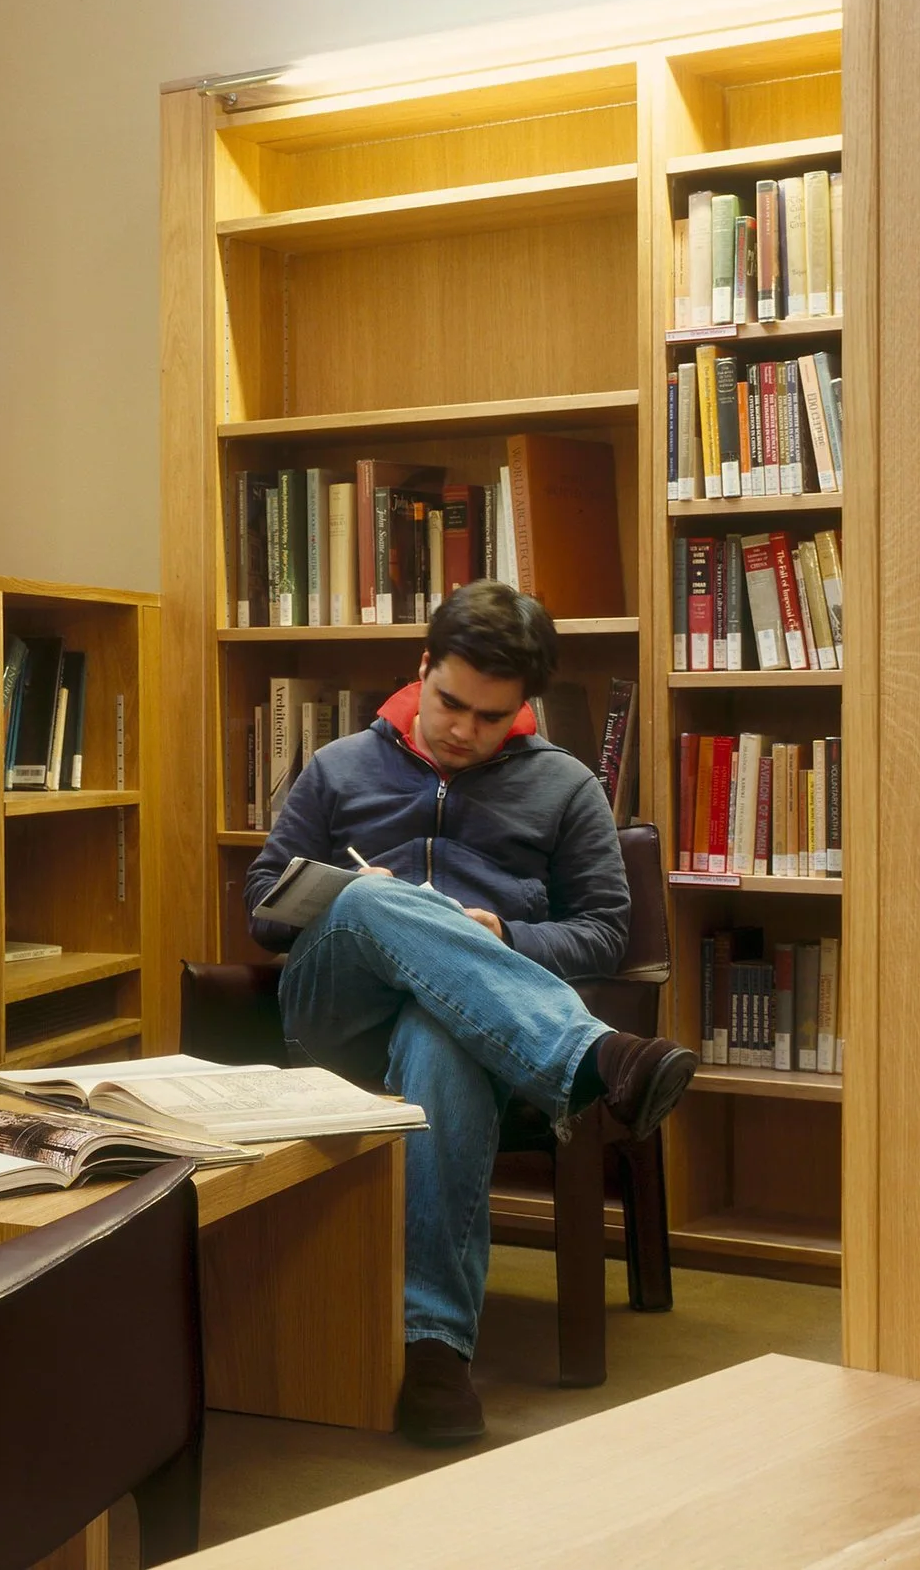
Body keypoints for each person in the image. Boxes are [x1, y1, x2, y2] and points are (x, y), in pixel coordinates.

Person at [245, 580, 695, 1447]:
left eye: (492, 717)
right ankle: (594, 1060)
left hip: (473, 1030)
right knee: (378, 905)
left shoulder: (565, 786)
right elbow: (263, 906)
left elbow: (605, 930)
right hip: (337, 1019)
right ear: (423, 669)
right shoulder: (339, 766)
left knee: (441, 1040)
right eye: (451, 702)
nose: (464, 729)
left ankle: (434, 1355)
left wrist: (508, 935)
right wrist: (354, 902)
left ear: (522, 708)